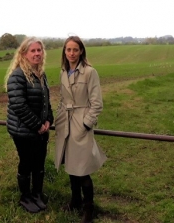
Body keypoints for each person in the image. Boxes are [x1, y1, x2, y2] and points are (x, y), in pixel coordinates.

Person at [54, 35, 107, 223]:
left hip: (80, 125)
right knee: (71, 166)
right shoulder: (63, 72)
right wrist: (58, 120)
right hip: (65, 125)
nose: (71, 53)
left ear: (81, 51)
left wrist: (86, 123)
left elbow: (97, 103)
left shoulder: (90, 72)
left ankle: (88, 209)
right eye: (68, 49)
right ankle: (75, 201)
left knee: (83, 169)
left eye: (75, 49)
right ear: (64, 51)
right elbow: (63, 100)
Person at [5, 37, 54, 213]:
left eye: (39, 50)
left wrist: (49, 119)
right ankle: (25, 197)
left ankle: (37, 193)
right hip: (23, 131)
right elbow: (19, 105)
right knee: (26, 163)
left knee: (39, 163)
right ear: (24, 54)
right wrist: (37, 126)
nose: (37, 54)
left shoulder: (41, 74)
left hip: (40, 130)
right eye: (32, 51)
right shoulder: (18, 75)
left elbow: (46, 102)